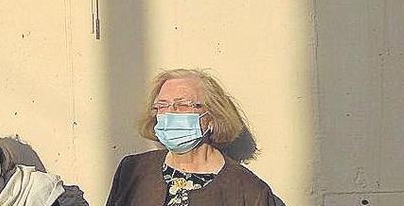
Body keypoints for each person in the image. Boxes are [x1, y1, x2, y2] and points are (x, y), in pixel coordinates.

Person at [105, 69, 279, 206]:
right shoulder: (133, 170)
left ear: (211, 117)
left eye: (182, 104)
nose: (170, 112)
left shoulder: (249, 191)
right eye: (162, 105)